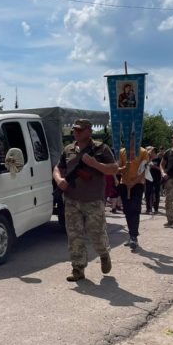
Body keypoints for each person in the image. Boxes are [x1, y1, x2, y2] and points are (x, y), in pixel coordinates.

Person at [53, 119, 119, 282]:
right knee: (74, 235)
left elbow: (113, 169)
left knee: (96, 233)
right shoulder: (68, 149)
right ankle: (78, 268)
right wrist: (59, 180)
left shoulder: (101, 149)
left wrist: (95, 164)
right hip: (71, 199)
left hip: (93, 200)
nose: (76, 132)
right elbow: (58, 168)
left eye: (80, 130)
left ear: (89, 131)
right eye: (75, 130)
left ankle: (104, 254)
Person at [118, 145, 149, 251]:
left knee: (135, 209)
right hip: (124, 184)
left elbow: (144, 170)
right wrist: (123, 168)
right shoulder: (122, 152)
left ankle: (134, 236)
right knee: (127, 210)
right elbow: (118, 169)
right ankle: (131, 234)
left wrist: (134, 182)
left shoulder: (143, 152)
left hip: (138, 184)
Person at [145, 146, 162, 214]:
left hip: (157, 179)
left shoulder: (159, 160)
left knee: (156, 193)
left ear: (154, 152)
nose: (149, 153)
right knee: (148, 193)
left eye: (150, 151)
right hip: (148, 179)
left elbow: (162, 169)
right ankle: (148, 209)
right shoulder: (148, 159)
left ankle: (156, 208)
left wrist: (154, 166)